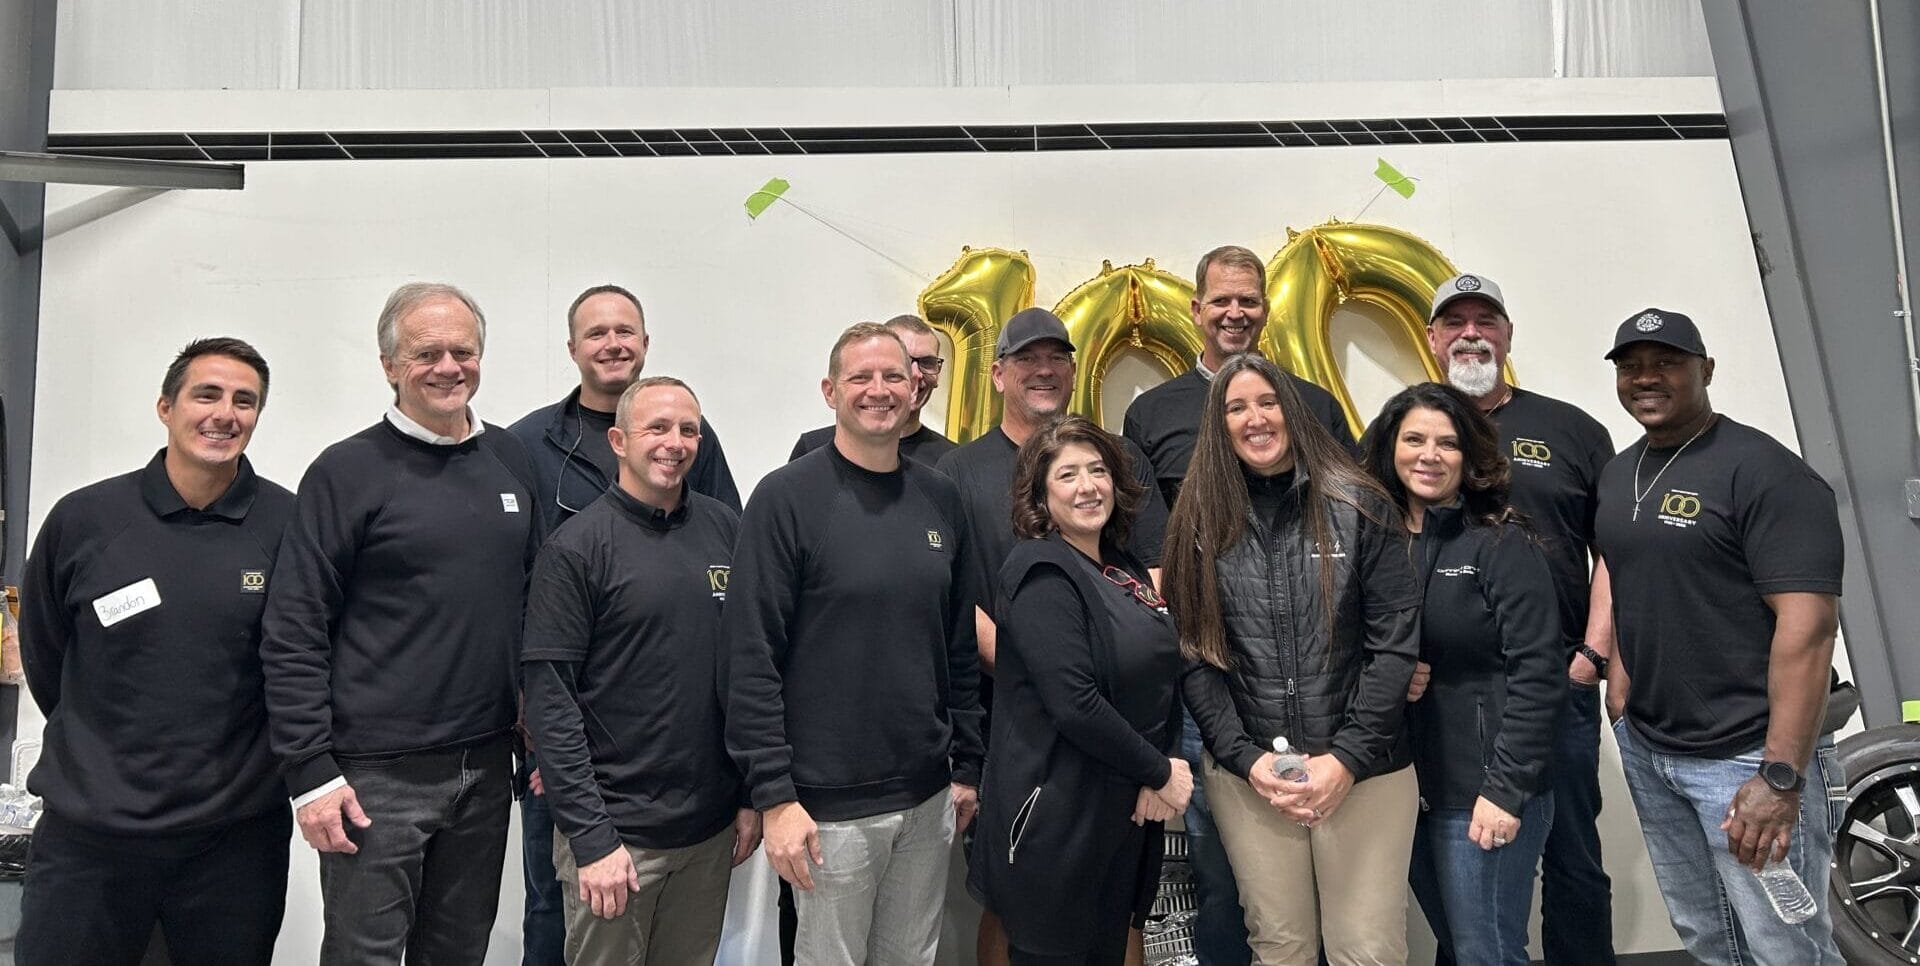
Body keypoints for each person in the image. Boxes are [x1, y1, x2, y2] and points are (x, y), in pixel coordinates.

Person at [262, 282, 541, 964]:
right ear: (390, 365)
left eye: (464, 351)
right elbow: (295, 625)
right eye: (428, 353)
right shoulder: (346, 471)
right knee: (367, 957)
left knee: (458, 954)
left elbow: (535, 607)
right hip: (372, 780)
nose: (450, 367)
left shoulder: (511, 460)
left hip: (483, 764)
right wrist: (311, 771)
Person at [16, 338, 293, 966]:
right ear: (166, 407)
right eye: (207, 394)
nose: (225, 413)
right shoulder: (84, 519)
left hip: (233, 845)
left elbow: (301, 664)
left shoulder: (288, 525)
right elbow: (46, 654)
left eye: (244, 401)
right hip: (89, 840)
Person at [1121, 245, 1355, 965]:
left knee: (1333, 876)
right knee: (1222, 874)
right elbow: (1148, 556)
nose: (1234, 313)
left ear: (1265, 310)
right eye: (1220, 300)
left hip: (1318, 681)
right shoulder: (1151, 413)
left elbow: (1356, 526)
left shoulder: (1313, 404)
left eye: (1247, 300)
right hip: (1207, 679)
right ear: (1195, 311)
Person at [725, 322, 985, 965]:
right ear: (829, 390)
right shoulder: (786, 498)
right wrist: (776, 797)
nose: (879, 390)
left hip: (927, 799)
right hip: (826, 807)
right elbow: (751, 654)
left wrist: (968, 766)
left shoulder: (942, 498)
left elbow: (955, 645)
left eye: (894, 375)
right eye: (860, 378)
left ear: (917, 385)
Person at [1596, 309, 1845, 965]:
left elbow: (1811, 628)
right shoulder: (1620, 474)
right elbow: (1624, 577)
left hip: (1748, 758)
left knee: (1784, 947)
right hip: (1654, 749)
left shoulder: (1766, 473)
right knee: (1708, 937)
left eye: (1667, 362)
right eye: (1631, 365)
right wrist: (1620, 689)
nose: (1646, 377)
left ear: (1705, 369)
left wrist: (1781, 775)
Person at [509, 282, 743, 965]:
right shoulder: (571, 533)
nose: (674, 443)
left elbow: (747, 664)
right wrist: (586, 826)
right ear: (618, 440)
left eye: (687, 430)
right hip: (608, 819)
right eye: (656, 430)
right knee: (550, 928)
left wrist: (754, 792)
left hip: (704, 820)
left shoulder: (726, 528)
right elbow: (550, 685)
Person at [1162, 353, 1421, 966]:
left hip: (1367, 771)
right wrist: (1246, 760)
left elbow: (1394, 645)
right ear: (1217, 424)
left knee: (1369, 950)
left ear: (1292, 410)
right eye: (1236, 407)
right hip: (1252, 777)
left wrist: (1347, 759)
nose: (1255, 418)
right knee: (1281, 947)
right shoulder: (1197, 520)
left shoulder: (1361, 504)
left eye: (1267, 402)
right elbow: (1195, 656)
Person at [937, 306, 1169, 965]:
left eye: (1056, 358)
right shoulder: (959, 474)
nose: (1044, 370)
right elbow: (956, 599)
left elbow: (1149, 577)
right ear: (997, 374)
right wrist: (1039, 669)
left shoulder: (1114, 461)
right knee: (1018, 911)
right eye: (1027, 359)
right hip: (1024, 736)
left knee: (1120, 904)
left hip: (1119, 733)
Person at [1422, 273, 1618, 964]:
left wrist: (1592, 656)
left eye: (1486, 320)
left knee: (1571, 856)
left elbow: (1616, 554)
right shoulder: (1410, 434)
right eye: (1455, 322)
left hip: (1552, 678)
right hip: (1444, 695)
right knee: (1455, 863)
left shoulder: (1572, 430)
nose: (1470, 332)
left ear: (1507, 335)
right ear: (1433, 338)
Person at [968, 415, 1189, 966]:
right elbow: (1076, 703)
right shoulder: (1040, 569)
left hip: (1123, 806)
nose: (1088, 486)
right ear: (1041, 495)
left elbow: (1160, 675)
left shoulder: (1121, 567)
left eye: (1097, 470)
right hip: (1060, 817)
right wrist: (1159, 771)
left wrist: (1152, 770)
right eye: (1067, 475)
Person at [1362, 383, 1562, 965]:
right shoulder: (1376, 542)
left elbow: (1540, 671)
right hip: (1406, 787)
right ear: (1389, 447)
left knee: (1488, 952)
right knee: (1459, 947)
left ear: (1469, 457)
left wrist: (1504, 790)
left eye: (1447, 443)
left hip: (1484, 790)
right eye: (1415, 439)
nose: (1429, 455)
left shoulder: (1500, 541)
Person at [790, 313, 957, 466]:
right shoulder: (812, 446)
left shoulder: (952, 462)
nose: (916, 374)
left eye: (927, 363)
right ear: (830, 391)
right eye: (904, 361)